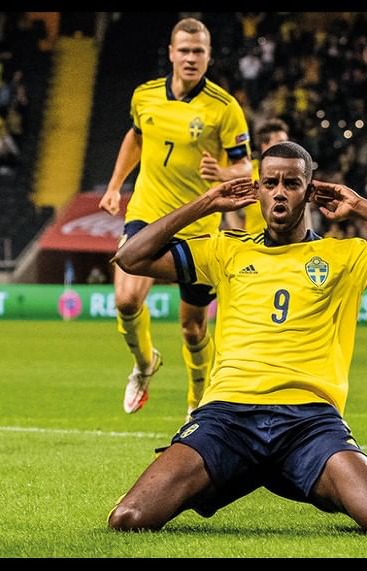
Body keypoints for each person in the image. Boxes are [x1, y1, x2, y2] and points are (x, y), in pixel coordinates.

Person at [108, 141, 367, 534]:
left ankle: (338, 483)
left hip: (309, 422)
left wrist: (361, 207)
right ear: (257, 190)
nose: (280, 192)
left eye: (292, 183)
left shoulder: (345, 256)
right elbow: (130, 257)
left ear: (310, 191)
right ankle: (267, 470)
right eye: (270, 183)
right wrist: (207, 203)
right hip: (227, 417)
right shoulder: (226, 250)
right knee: (128, 518)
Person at [98, 18, 252, 415]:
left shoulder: (224, 108)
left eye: (198, 51)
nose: (191, 58)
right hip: (148, 212)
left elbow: (245, 166)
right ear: (171, 53)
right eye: (184, 50)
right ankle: (144, 363)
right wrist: (115, 185)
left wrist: (223, 172)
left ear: (209, 56)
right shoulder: (145, 95)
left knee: (193, 328)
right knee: (126, 300)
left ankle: (198, 403)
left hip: (198, 227)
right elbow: (136, 137)